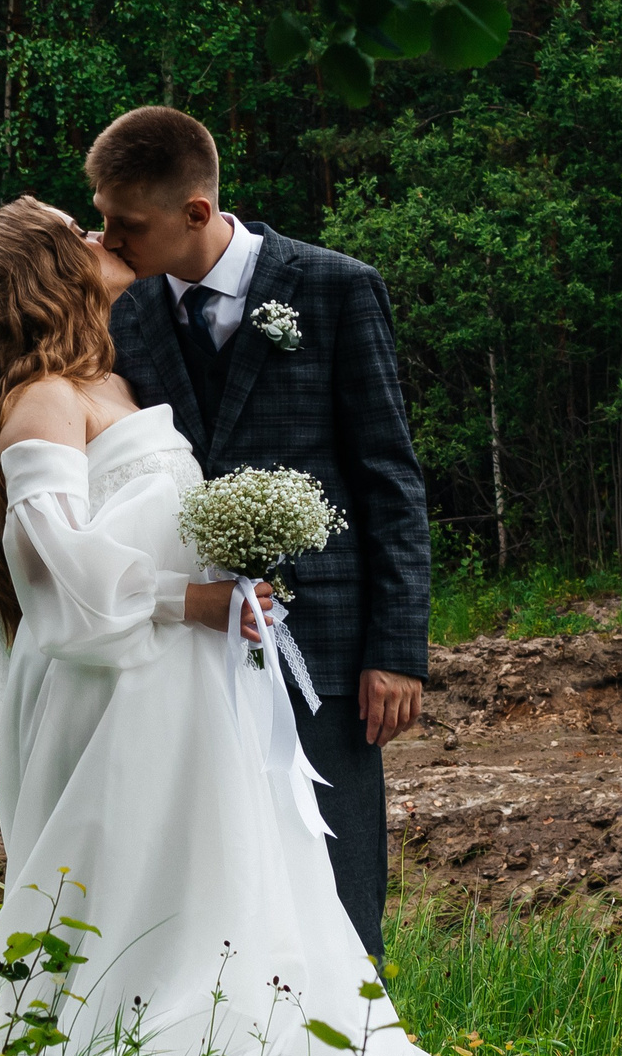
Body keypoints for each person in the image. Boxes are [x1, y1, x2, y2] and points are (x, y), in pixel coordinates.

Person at [0, 195, 488, 1056]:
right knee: (129, 897)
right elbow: (53, 569)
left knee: (221, 886)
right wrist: (190, 600)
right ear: (52, 273)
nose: (105, 241)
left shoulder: (109, 376)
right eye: (82, 234)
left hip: (189, 690)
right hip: (117, 695)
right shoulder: (41, 401)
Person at [89, 106, 430, 959]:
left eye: (128, 223)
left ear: (196, 211)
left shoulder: (337, 288)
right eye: (102, 217)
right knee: (214, 881)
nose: (108, 240)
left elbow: (389, 477)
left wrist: (396, 648)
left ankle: (358, 1035)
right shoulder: (122, 313)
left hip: (326, 647)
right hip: (186, 651)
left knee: (341, 879)